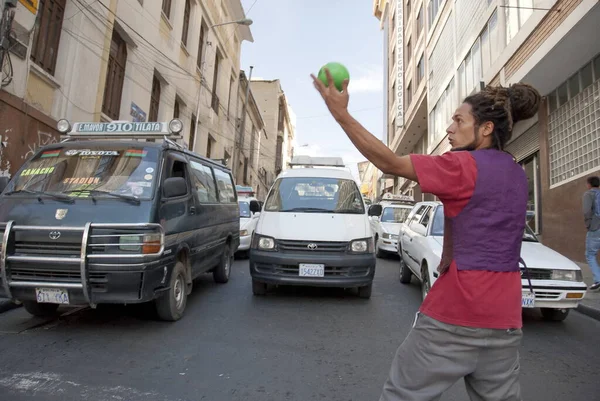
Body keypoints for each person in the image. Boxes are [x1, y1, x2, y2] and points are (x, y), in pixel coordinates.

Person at [311, 69, 541, 401]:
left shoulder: (462, 167)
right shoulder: (516, 172)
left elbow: (389, 163)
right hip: (504, 318)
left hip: (456, 313)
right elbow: (466, 215)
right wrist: (448, 254)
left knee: (401, 394)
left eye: (459, 121)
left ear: (486, 128)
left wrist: (340, 114)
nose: (450, 128)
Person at [583, 176, 600, 290]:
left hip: (595, 227)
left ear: (589, 184)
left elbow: (587, 211)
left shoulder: (588, 194)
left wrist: (588, 224)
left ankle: (598, 279)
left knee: (590, 254)